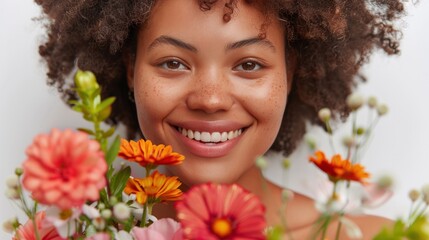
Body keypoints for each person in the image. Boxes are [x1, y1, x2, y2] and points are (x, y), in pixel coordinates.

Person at [34, 0, 405, 238]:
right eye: (173, 63)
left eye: (248, 65)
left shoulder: (369, 235)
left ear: (291, 72)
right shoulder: (73, 232)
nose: (210, 100)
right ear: (130, 70)